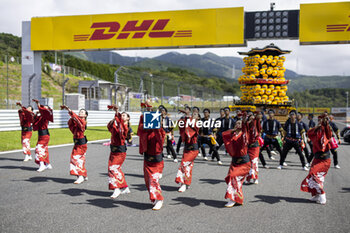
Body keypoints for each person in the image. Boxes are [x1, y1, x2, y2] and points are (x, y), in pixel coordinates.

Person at [138, 102, 166, 210]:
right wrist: (147, 113)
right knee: (147, 181)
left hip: (156, 160)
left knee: (153, 179)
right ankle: (154, 198)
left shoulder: (160, 131)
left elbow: (159, 138)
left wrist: (155, 123)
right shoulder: (144, 131)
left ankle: (159, 199)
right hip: (147, 157)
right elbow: (140, 129)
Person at [301, 114, 332, 204]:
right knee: (313, 177)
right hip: (316, 158)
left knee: (315, 176)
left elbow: (328, 134)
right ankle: (316, 195)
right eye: (319, 120)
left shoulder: (326, 130)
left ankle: (322, 194)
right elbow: (309, 133)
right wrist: (318, 126)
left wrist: (326, 124)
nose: (320, 122)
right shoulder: (316, 130)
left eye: (322, 120)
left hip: (324, 159)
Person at [222, 113, 251, 207]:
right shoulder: (233, 133)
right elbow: (224, 134)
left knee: (234, 177)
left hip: (244, 163)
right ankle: (238, 199)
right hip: (234, 162)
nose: (238, 124)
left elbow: (246, 132)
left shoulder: (244, 134)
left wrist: (244, 122)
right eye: (237, 123)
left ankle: (232, 199)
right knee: (235, 180)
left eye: (240, 123)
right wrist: (234, 130)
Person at [61, 105, 89, 184]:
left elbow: (77, 119)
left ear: (85, 115)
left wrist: (69, 110)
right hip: (77, 143)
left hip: (81, 144)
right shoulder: (77, 121)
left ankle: (80, 176)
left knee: (75, 159)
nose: (80, 112)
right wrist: (72, 116)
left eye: (82, 112)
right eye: (80, 111)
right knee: (79, 160)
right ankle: (83, 174)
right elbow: (71, 122)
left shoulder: (83, 122)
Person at [107, 105, 130, 199]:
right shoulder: (118, 125)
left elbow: (120, 128)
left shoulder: (125, 127)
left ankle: (116, 188)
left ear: (128, 118)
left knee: (113, 169)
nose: (122, 116)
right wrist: (115, 117)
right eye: (122, 115)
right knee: (116, 169)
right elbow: (110, 127)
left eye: (124, 115)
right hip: (113, 150)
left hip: (120, 152)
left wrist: (117, 113)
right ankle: (125, 187)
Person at [175, 111, 200, 192]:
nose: (194, 116)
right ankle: (187, 183)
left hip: (193, 149)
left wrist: (188, 116)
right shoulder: (187, 122)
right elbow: (181, 125)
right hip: (186, 149)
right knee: (188, 166)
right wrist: (184, 117)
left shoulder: (197, 123)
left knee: (184, 164)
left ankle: (183, 183)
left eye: (195, 115)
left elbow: (192, 126)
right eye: (193, 114)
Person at [32, 99, 54, 172]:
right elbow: (34, 121)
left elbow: (44, 111)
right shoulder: (40, 117)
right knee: (44, 149)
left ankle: (42, 164)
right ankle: (47, 164)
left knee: (39, 149)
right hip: (42, 135)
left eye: (45, 108)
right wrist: (35, 115)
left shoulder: (46, 116)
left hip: (44, 135)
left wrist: (38, 104)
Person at [245, 111, 262, 184]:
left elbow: (258, 118)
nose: (251, 117)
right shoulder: (246, 124)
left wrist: (257, 115)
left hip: (255, 146)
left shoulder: (256, 122)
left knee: (254, 162)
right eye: (250, 116)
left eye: (252, 116)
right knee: (248, 163)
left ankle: (255, 178)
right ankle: (248, 178)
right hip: (248, 146)